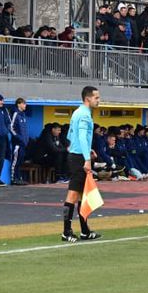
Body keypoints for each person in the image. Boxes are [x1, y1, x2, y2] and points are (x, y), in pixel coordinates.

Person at [63, 85, 101, 242]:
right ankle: (66, 232)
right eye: (96, 98)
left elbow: (71, 135)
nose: (99, 100)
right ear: (88, 98)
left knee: (81, 194)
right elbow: (82, 135)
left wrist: (84, 149)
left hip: (76, 154)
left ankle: (85, 231)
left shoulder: (77, 112)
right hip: (79, 158)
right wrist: (86, 158)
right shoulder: (85, 115)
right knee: (73, 194)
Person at [9, 97, 32, 185]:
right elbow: (11, 127)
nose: (25, 105)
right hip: (17, 143)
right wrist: (19, 138)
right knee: (15, 160)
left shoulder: (23, 115)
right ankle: (13, 178)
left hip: (23, 143)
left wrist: (26, 140)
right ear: (19, 104)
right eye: (23, 103)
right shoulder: (15, 114)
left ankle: (18, 177)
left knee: (20, 161)